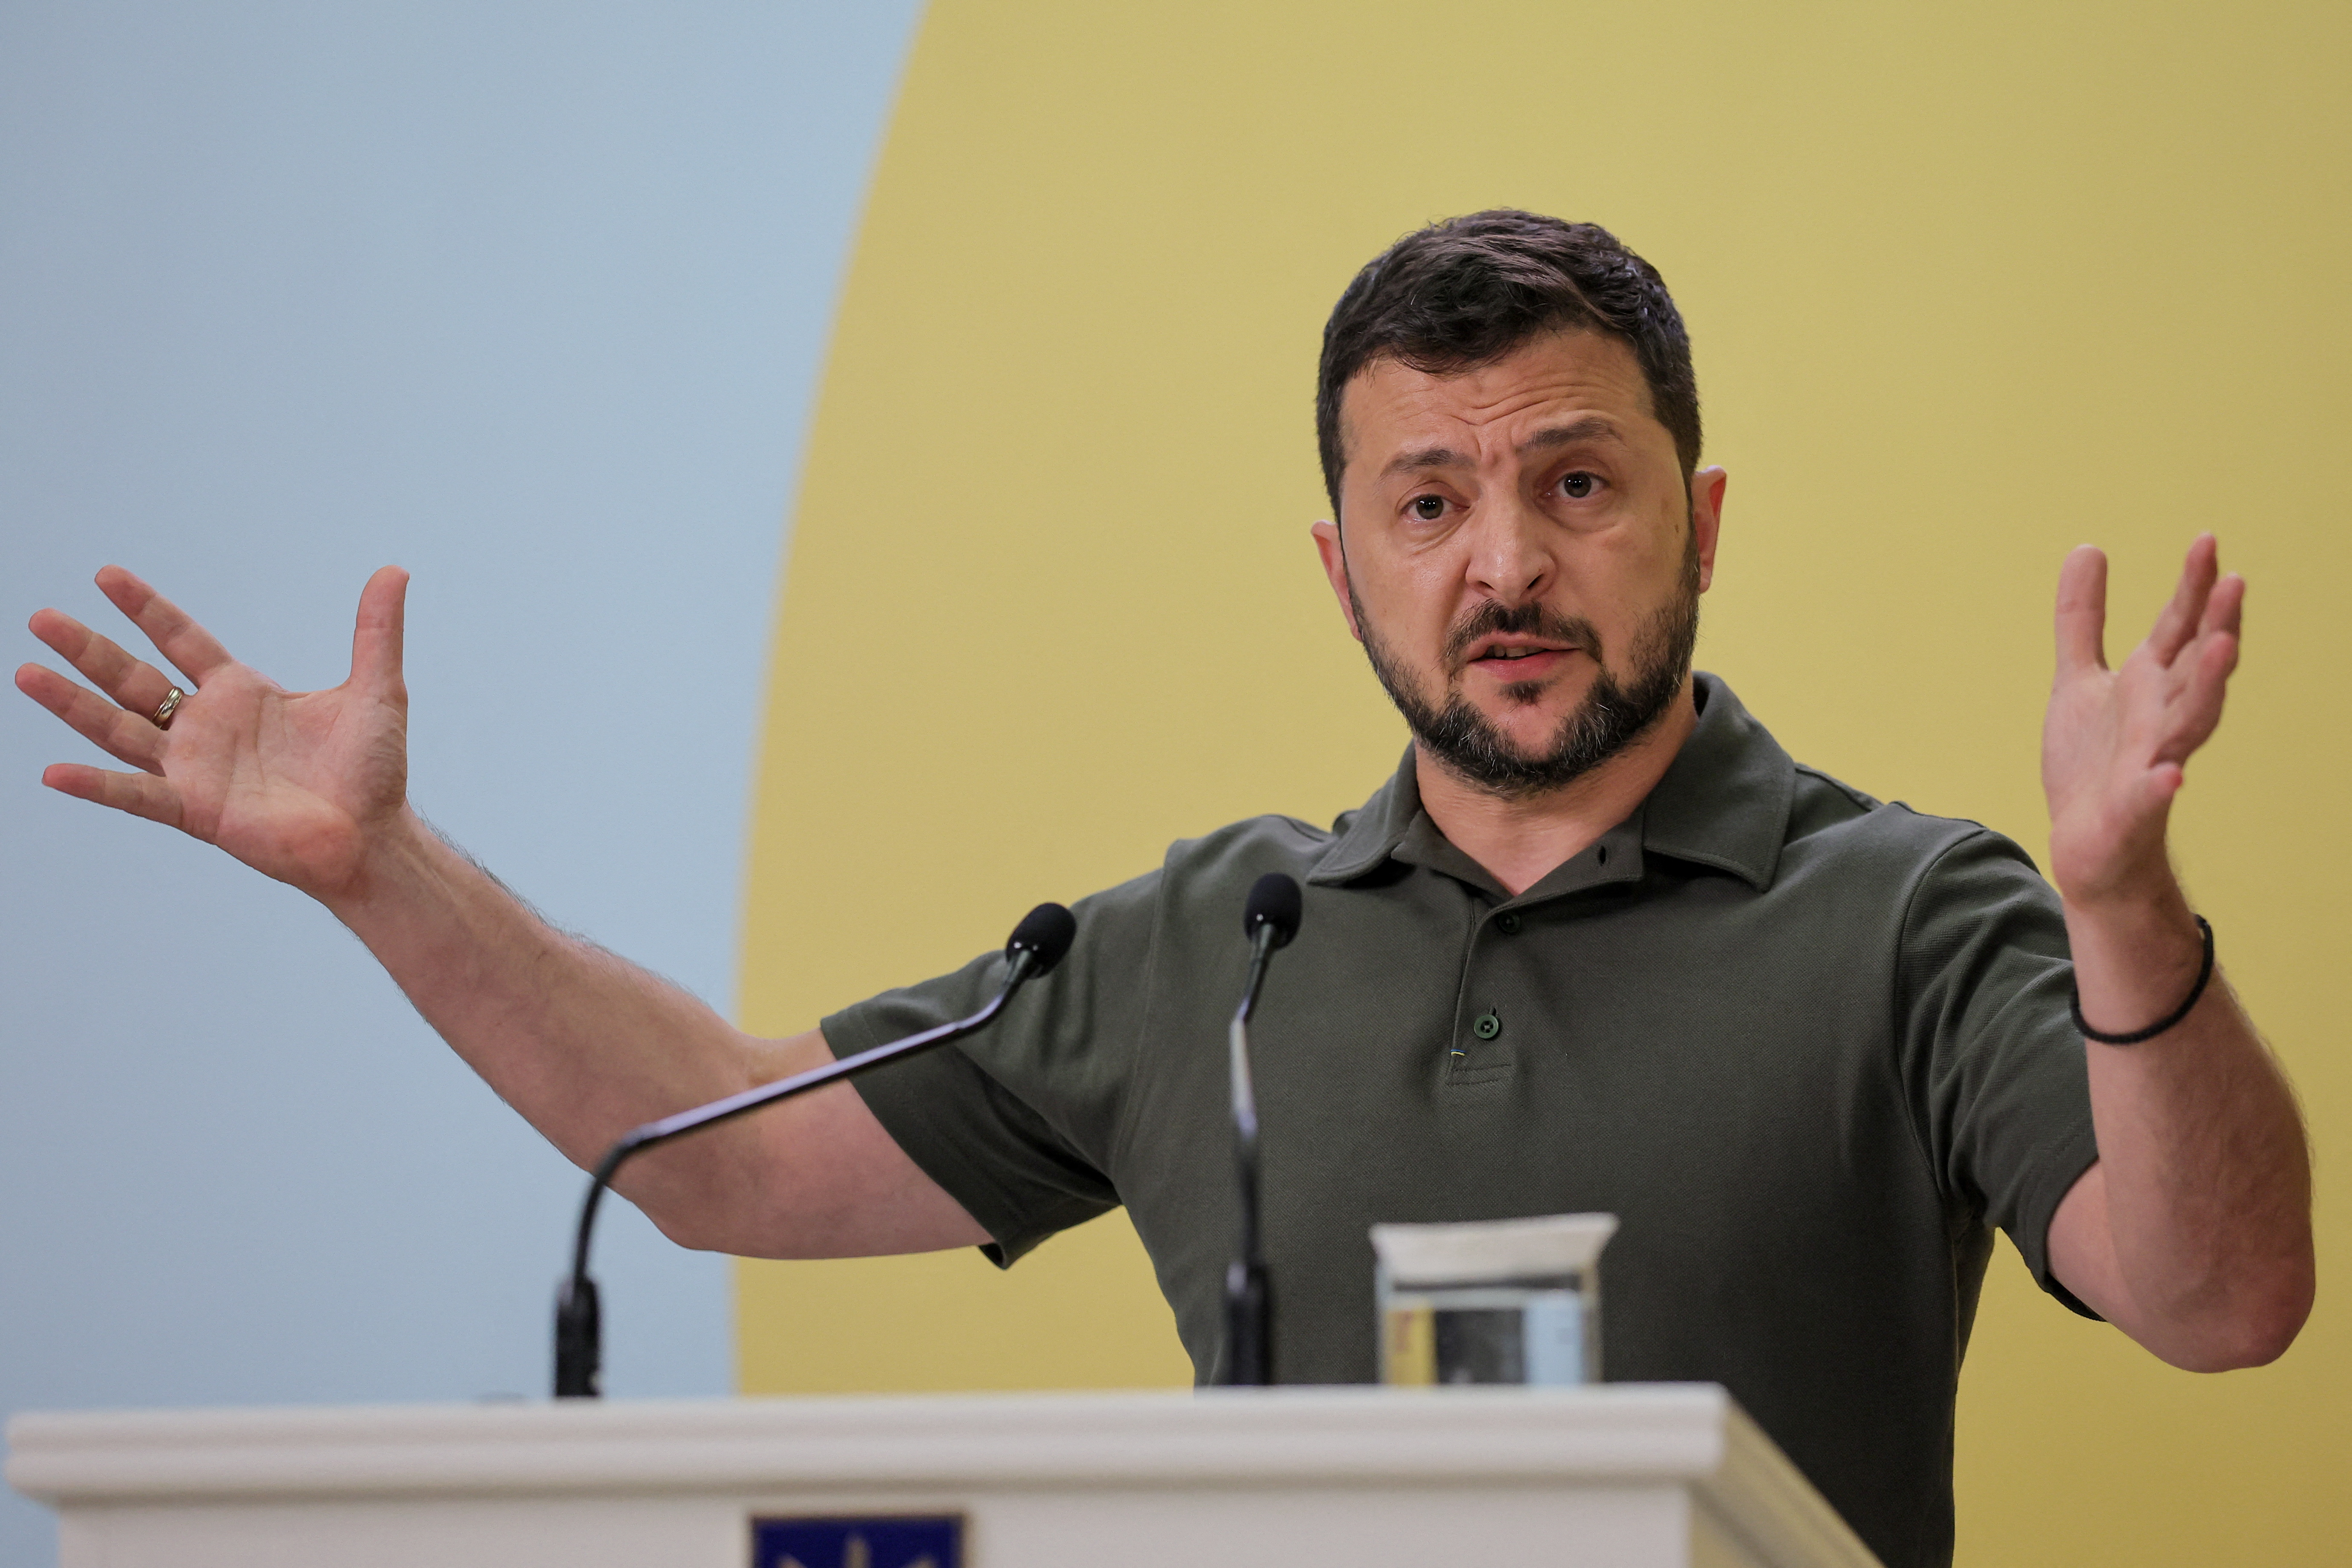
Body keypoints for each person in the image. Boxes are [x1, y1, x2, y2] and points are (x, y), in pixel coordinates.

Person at [15, 211, 2311, 1568]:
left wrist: (2118, 899)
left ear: (1700, 521)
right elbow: (709, 1139)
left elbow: (2218, 1297)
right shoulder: (1214, 940)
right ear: (1339, 564)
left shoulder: (1908, 912)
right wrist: (380, 874)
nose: (1501, 560)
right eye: (1425, 501)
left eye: (1572, 482)